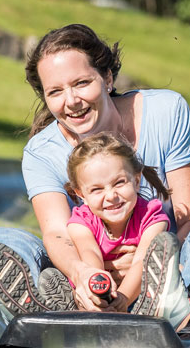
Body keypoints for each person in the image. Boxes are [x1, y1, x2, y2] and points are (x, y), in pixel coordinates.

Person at [0, 24, 190, 334]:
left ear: (108, 79)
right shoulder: (41, 152)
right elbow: (60, 235)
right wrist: (83, 273)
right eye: (56, 91)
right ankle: (53, 311)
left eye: (82, 83)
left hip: (165, 262)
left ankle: (184, 308)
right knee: (4, 239)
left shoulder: (166, 112)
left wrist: (149, 263)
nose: (71, 100)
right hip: (89, 271)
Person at [32, 133, 175, 317]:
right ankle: (78, 303)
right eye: (97, 189)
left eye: (119, 183)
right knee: (70, 281)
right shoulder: (81, 222)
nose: (111, 195)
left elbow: (142, 261)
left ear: (137, 181)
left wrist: (122, 299)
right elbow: (90, 255)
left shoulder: (152, 216)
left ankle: (147, 309)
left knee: (170, 270)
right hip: (98, 292)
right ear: (81, 194)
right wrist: (99, 292)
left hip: (137, 293)